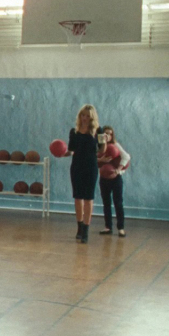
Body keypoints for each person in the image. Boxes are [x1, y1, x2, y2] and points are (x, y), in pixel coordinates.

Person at [66, 104, 101, 243]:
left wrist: (104, 145)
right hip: (77, 167)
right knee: (78, 197)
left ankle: (86, 230)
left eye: (87, 116)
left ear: (92, 117)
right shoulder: (73, 132)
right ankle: (79, 227)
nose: (85, 118)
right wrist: (61, 153)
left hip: (91, 167)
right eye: (83, 115)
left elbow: (102, 149)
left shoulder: (98, 131)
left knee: (88, 198)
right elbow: (70, 150)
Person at [97, 125, 130, 237]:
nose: (108, 135)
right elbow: (92, 159)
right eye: (106, 133)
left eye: (110, 134)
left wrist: (118, 170)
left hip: (116, 179)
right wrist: (101, 159)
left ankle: (121, 228)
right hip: (104, 179)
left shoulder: (115, 145)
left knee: (118, 203)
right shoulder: (100, 147)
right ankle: (108, 227)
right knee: (106, 203)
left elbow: (126, 157)